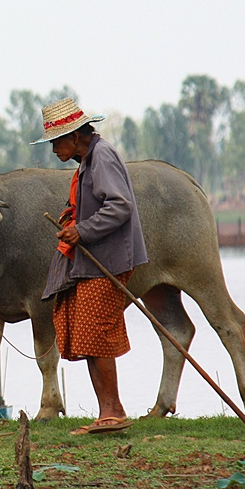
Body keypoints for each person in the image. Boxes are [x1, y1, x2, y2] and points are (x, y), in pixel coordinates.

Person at [31, 97, 149, 435]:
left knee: (95, 333)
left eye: (56, 141)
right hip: (94, 261)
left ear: (75, 135)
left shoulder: (102, 157)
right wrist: (75, 216)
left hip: (108, 261)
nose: (54, 148)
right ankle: (107, 413)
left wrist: (82, 229)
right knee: (86, 334)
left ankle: (113, 412)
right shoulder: (86, 161)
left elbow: (120, 206)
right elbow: (98, 204)